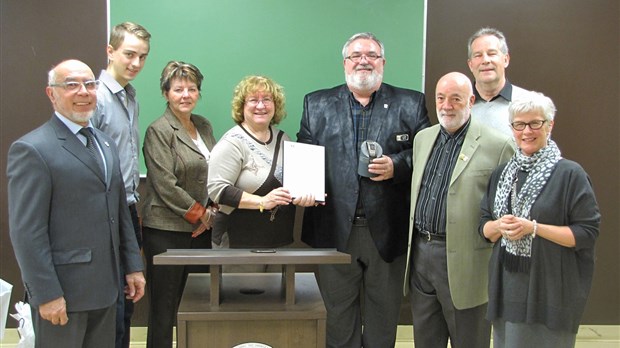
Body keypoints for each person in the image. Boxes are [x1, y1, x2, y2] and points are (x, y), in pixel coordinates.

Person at [297, 32, 430, 347]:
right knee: (337, 321)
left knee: (383, 320)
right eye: (356, 55)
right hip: (333, 231)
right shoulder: (316, 103)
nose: (363, 60)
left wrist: (397, 165)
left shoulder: (411, 103)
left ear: (383, 62)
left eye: (371, 54)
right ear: (344, 63)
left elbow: (428, 152)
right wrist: (302, 187)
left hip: (387, 231)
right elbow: (305, 151)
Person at [6, 59, 145, 348]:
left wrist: (132, 266)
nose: (83, 92)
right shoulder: (33, 149)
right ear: (51, 93)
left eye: (90, 84)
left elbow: (120, 212)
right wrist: (45, 293)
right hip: (63, 295)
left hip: (107, 290)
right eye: (71, 85)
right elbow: (27, 232)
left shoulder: (105, 144)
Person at [480, 91, 600, 347]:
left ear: (550, 125)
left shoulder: (571, 174)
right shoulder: (502, 174)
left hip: (551, 292)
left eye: (535, 123)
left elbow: (586, 234)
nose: (527, 131)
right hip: (507, 289)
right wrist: (499, 226)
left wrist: (533, 228)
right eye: (519, 124)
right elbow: (484, 228)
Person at [403, 72, 514, 348]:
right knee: (426, 341)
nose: (447, 105)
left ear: (471, 101)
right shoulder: (422, 139)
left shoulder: (498, 146)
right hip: (421, 256)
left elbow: (507, 210)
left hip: (467, 263)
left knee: (470, 341)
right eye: (441, 98)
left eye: (455, 99)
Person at [141, 61, 217, 348]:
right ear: (165, 93)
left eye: (192, 89)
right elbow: (164, 185)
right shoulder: (158, 130)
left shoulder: (204, 125)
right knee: (164, 309)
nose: (185, 94)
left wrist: (213, 212)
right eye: (178, 89)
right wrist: (201, 216)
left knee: (196, 306)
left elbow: (216, 171)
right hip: (166, 232)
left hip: (202, 231)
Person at [207, 75, 314, 263]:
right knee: (240, 292)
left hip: (279, 241)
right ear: (241, 106)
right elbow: (217, 190)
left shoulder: (284, 139)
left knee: (280, 293)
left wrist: (305, 197)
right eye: (253, 100)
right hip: (239, 243)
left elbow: (292, 186)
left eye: (267, 99)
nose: (261, 105)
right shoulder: (232, 142)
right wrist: (262, 201)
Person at [90, 21, 151, 348]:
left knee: (129, 296)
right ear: (110, 51)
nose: (136, 63)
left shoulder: (130, 97)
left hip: (128, 208)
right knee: (109, 304)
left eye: (142, 57)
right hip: (103, 213)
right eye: (129, 54)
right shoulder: (95, 98)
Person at [467, 27, 530, 136]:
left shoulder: (529, 103)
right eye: (478, 55)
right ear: (470, 65)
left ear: (506, 60)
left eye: (491, 53)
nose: (485, 60)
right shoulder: (459, 106)